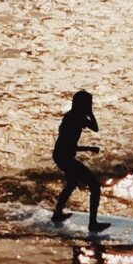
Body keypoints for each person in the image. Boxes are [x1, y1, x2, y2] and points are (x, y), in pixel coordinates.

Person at [50, 90, 104, 234]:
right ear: (82, 104)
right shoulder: (72, 119)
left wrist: (90, 112)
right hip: (63, 157)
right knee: (95, 186)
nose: (90, 106)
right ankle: (93, 224)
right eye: (89, 104)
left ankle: (57, 213)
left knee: (72, 183)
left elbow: (95, 128)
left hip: (62, 156)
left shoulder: (77, 116)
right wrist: (88, 148)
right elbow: (69, 145)